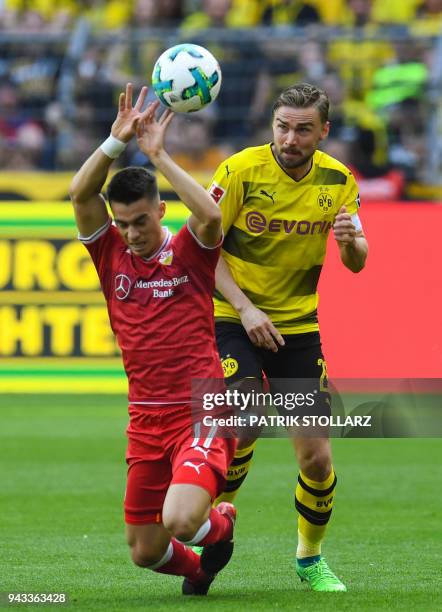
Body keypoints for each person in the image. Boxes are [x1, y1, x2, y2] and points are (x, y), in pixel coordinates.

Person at [69, 83, 237, 596]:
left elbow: (209, 216)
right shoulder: (111, 254)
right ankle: (201, 570)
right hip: (144, 416)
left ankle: (221, 523)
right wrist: (114, 142)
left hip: (198, 406)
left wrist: (158, 153)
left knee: (182, 520)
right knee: (146, 550)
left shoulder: (188, 250)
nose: (131, 233)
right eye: (122, 223)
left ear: (160, 210)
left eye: (140, 221)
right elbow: (80, 194)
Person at [209, 82, 368, 592]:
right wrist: (246, 307)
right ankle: (210, 521)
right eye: (282, 126)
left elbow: (358, 261)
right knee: (248, 421)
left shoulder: (339, 180)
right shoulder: (238, 171)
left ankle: (310, 558)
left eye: (303, 129)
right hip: (233, 315)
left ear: (323, 130)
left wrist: (351, 245)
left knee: (317, 457)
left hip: (298, 326)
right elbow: (201, 254)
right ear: (271, 124)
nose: (290, 138)